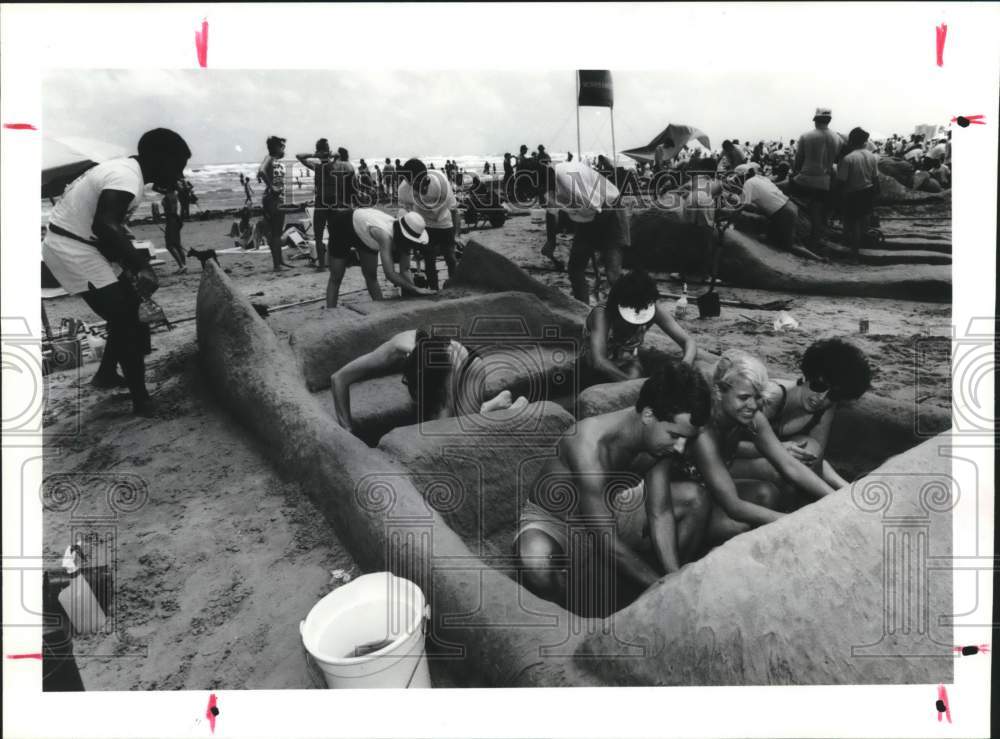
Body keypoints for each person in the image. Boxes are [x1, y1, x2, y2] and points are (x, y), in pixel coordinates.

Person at [514, 361, 712, 613]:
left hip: (614, 505)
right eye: (675, 435)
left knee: (695, 500)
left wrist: (674, 579)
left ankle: (650, 601)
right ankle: (572, 622)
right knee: (535, 563)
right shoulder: (589, 442)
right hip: (558, 520)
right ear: (649, 415)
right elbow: (605, 540)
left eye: (686, 438)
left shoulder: (659, 441)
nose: (680, 448)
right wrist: (661, 587)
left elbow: (659, 512)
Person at [41, 128, 191, 416]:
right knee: (128, 322)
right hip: (72, 249)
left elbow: (104, 228)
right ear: (159, 158)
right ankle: (142, 401)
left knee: (130, 308)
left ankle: (107, 373)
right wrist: (141, 266)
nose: (179, 175)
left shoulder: (124, 171)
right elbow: (104, 225)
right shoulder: (126, 177)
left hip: (82, 244)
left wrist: (126, 263)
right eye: (178, 166)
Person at [684, 350, 837, 548]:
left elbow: (788, 464)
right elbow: (733, 506)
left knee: (766, 493)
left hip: (713, 490)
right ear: (718, 392)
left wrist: (836, 499)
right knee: (738, 527)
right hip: (688, 504)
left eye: (757, 397)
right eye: (744, 397)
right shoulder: (704, 432)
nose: (752, 405)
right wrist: (793, 522)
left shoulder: (752, 418)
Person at [729, 338, 872, 496]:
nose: (821, 397)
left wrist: (838, 492)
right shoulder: (770, 397)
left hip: (771, 459)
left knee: (810, 450)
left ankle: (844, 489)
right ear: (806, 376)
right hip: (726, 458)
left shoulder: (826, 406)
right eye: (819, 385)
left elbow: (815, 461)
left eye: (834, 394)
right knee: (781, 471)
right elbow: (722, 443)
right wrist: (777, 450)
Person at [331, 329, 529, 435]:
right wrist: (347, 429)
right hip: (439, 366)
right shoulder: (394, 349)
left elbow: (446, 419)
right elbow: (339, 378)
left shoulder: (447, 365)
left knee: (465, 428)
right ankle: (494, 403)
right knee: (437, 419)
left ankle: (512, 410)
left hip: (470, 367)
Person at [582, 269, 697, 384]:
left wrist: (685, 366)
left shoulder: (652, 308)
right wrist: (632, 385)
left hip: (627, 361)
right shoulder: (602, 314)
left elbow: (688, 341)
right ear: (617, 304)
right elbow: (599, 361)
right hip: (595, 367)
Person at [542, 159, 630, 303]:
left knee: (613, 274)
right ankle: (582, 309)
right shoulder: (549, 181)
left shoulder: (568, 178)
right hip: (589, 215)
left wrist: (594, 241)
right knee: (575, 269)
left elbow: (598, 208)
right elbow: (551, 211)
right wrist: (551, 240)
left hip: (610, 212)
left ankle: (627, 311)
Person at [325, 207, 435, 307]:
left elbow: (405, 269)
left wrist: (415, 292)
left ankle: (380, 306)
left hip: (366, 235)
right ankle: (330, 311)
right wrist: (415, 289)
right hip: (343, 224)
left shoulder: (406, 236)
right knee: (336, 276)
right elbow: (390, 274)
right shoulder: (385, 237)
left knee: (371, 275)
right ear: (405, 236)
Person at [735, 163, 823, 260]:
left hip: (784, 213)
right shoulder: (761, 178)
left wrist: (731, 212)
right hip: (789, 206)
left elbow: (743, 205)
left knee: (790, 245)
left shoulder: (748, 184)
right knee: (766, 238)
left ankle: (819, 259)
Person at [396, 158, 459, 291]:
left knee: (450, 256)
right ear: (408, 182)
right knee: (429, 259)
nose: (422, 188)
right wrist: (414, 239)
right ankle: (434, 289)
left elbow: (454, 210)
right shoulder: (404, 190)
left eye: (424, 182)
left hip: (444, 222)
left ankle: (454, 287)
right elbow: (406, 215)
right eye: (416, 184)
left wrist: (456, 234)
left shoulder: (441, 182)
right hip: (425, 225)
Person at [790, 108, 842, 253]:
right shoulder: (836, 137)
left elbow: (798, 161)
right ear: (829, 120)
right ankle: (818, 239)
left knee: (796, 203)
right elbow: (835, 159)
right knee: (820, 212)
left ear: (815, 120)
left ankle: (809, 240)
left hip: (805, 179)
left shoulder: (806, 136)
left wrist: (795, 174)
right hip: (825, 181)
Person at [295, 138, 340, 272]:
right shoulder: (335, 165)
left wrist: (316, 155)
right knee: (333, 234)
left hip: (321, 203)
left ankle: (321, 265)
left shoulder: (317, 167)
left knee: (319, 235)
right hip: (333, 202)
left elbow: (299, 156)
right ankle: (332, 263)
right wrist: (327, 154)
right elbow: (337, 155)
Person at [834, 127, 880, 257]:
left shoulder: (848, 159)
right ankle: (854, 244)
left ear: (851, 141)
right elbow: (875, 178)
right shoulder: (872, 156)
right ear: (864, 141)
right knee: (862, 221)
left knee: (853, 223)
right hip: (868, 191)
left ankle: (854, 254)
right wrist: (876, 195)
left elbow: (841, 182)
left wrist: (836, 197)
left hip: (853, 193)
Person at [258, 135, 293, 271]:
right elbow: (261, 171)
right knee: (276, 233)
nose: (284, 149)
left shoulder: (275, 161)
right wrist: (271, 186)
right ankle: (277, 264)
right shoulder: (269, 159)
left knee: (277, 232)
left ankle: (280, 261)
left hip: (276, 198)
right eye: (282, 146)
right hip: (273, 199)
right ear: (276, 147)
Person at [161, 186, 186, 273]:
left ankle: (181, 265)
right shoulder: (175, 195)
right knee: (177, 244)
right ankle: (184, 265)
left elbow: (172, 211)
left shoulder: (168, 197)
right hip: (177, 220)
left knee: (170, 245)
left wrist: (162, 215)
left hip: (171, 221)